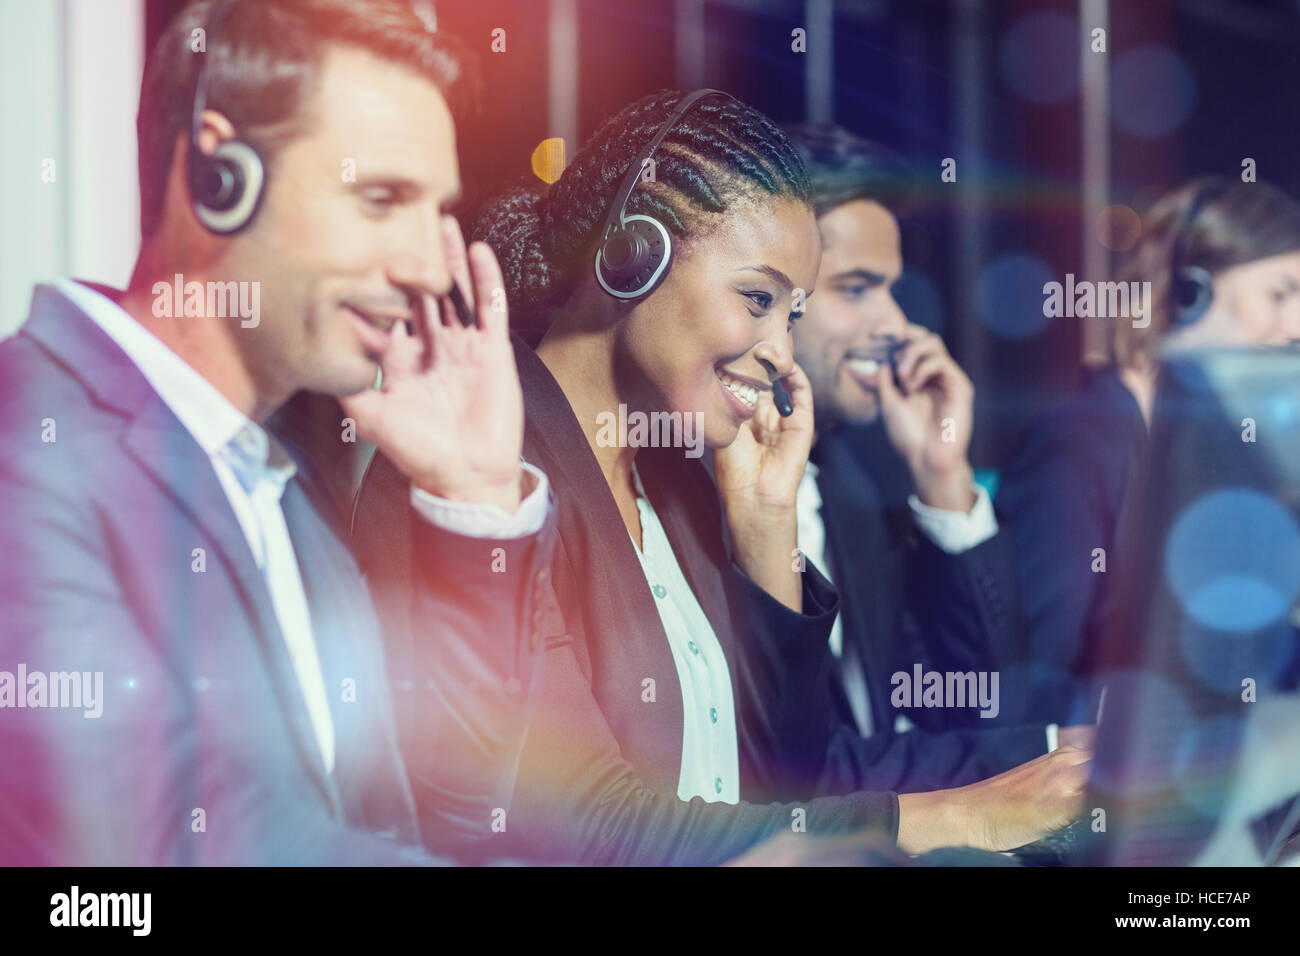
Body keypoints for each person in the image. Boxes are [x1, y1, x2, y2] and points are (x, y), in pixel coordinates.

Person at [355, 89, 1090, 866]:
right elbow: (581, 830)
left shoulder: (678, 489)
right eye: (758, 298)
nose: (780, 348)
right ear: (630, 255)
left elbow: (788, 779)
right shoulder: (479, 467)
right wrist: (953, 819)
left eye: (793, 315)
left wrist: (765, 524)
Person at [0, 0, 555, 865]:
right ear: (222, 175)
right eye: (380, 200)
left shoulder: (276, 496)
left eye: (435, 212)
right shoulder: (25, 447)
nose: (424, 266)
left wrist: (472, 497)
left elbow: (448, 824)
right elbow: (159, 849)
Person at [780, 123, 1070, 791]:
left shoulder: (845, 493)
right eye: (855, 288)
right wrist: (1049, 753)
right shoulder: (688, 495)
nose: (893, 324)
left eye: (891, 289)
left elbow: (982, 707)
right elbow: (793, 775)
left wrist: (944, 477)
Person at [995, 176, 1300, 724]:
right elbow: (1032, 684)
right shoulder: (1079, 447)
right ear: (1188, 295)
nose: (1297, 327)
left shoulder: (1219, 450)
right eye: (1280, 294)